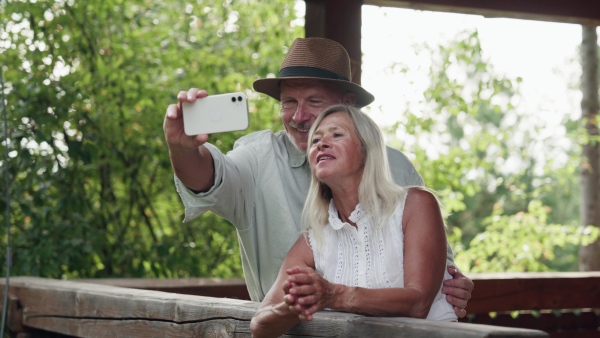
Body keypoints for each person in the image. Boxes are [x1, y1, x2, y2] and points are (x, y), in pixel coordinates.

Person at [163, 37, 473, 316]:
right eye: (289, 102)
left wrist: (454, 284)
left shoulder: (397, 167)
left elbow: (437, 271)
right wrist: (182, 148)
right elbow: (206, 180)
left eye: (314, 101)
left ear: (348, 105)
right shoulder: (257, 157)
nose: (299, 117)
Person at [250, 104, 457, 338]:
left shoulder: (416, 205)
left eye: (337, 134)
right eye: (315, 140)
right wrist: (293, 305)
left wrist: (334, 295)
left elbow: (418, 303)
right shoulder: (311, 241)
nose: (321, 143)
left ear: (367, 150)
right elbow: (259, 326)